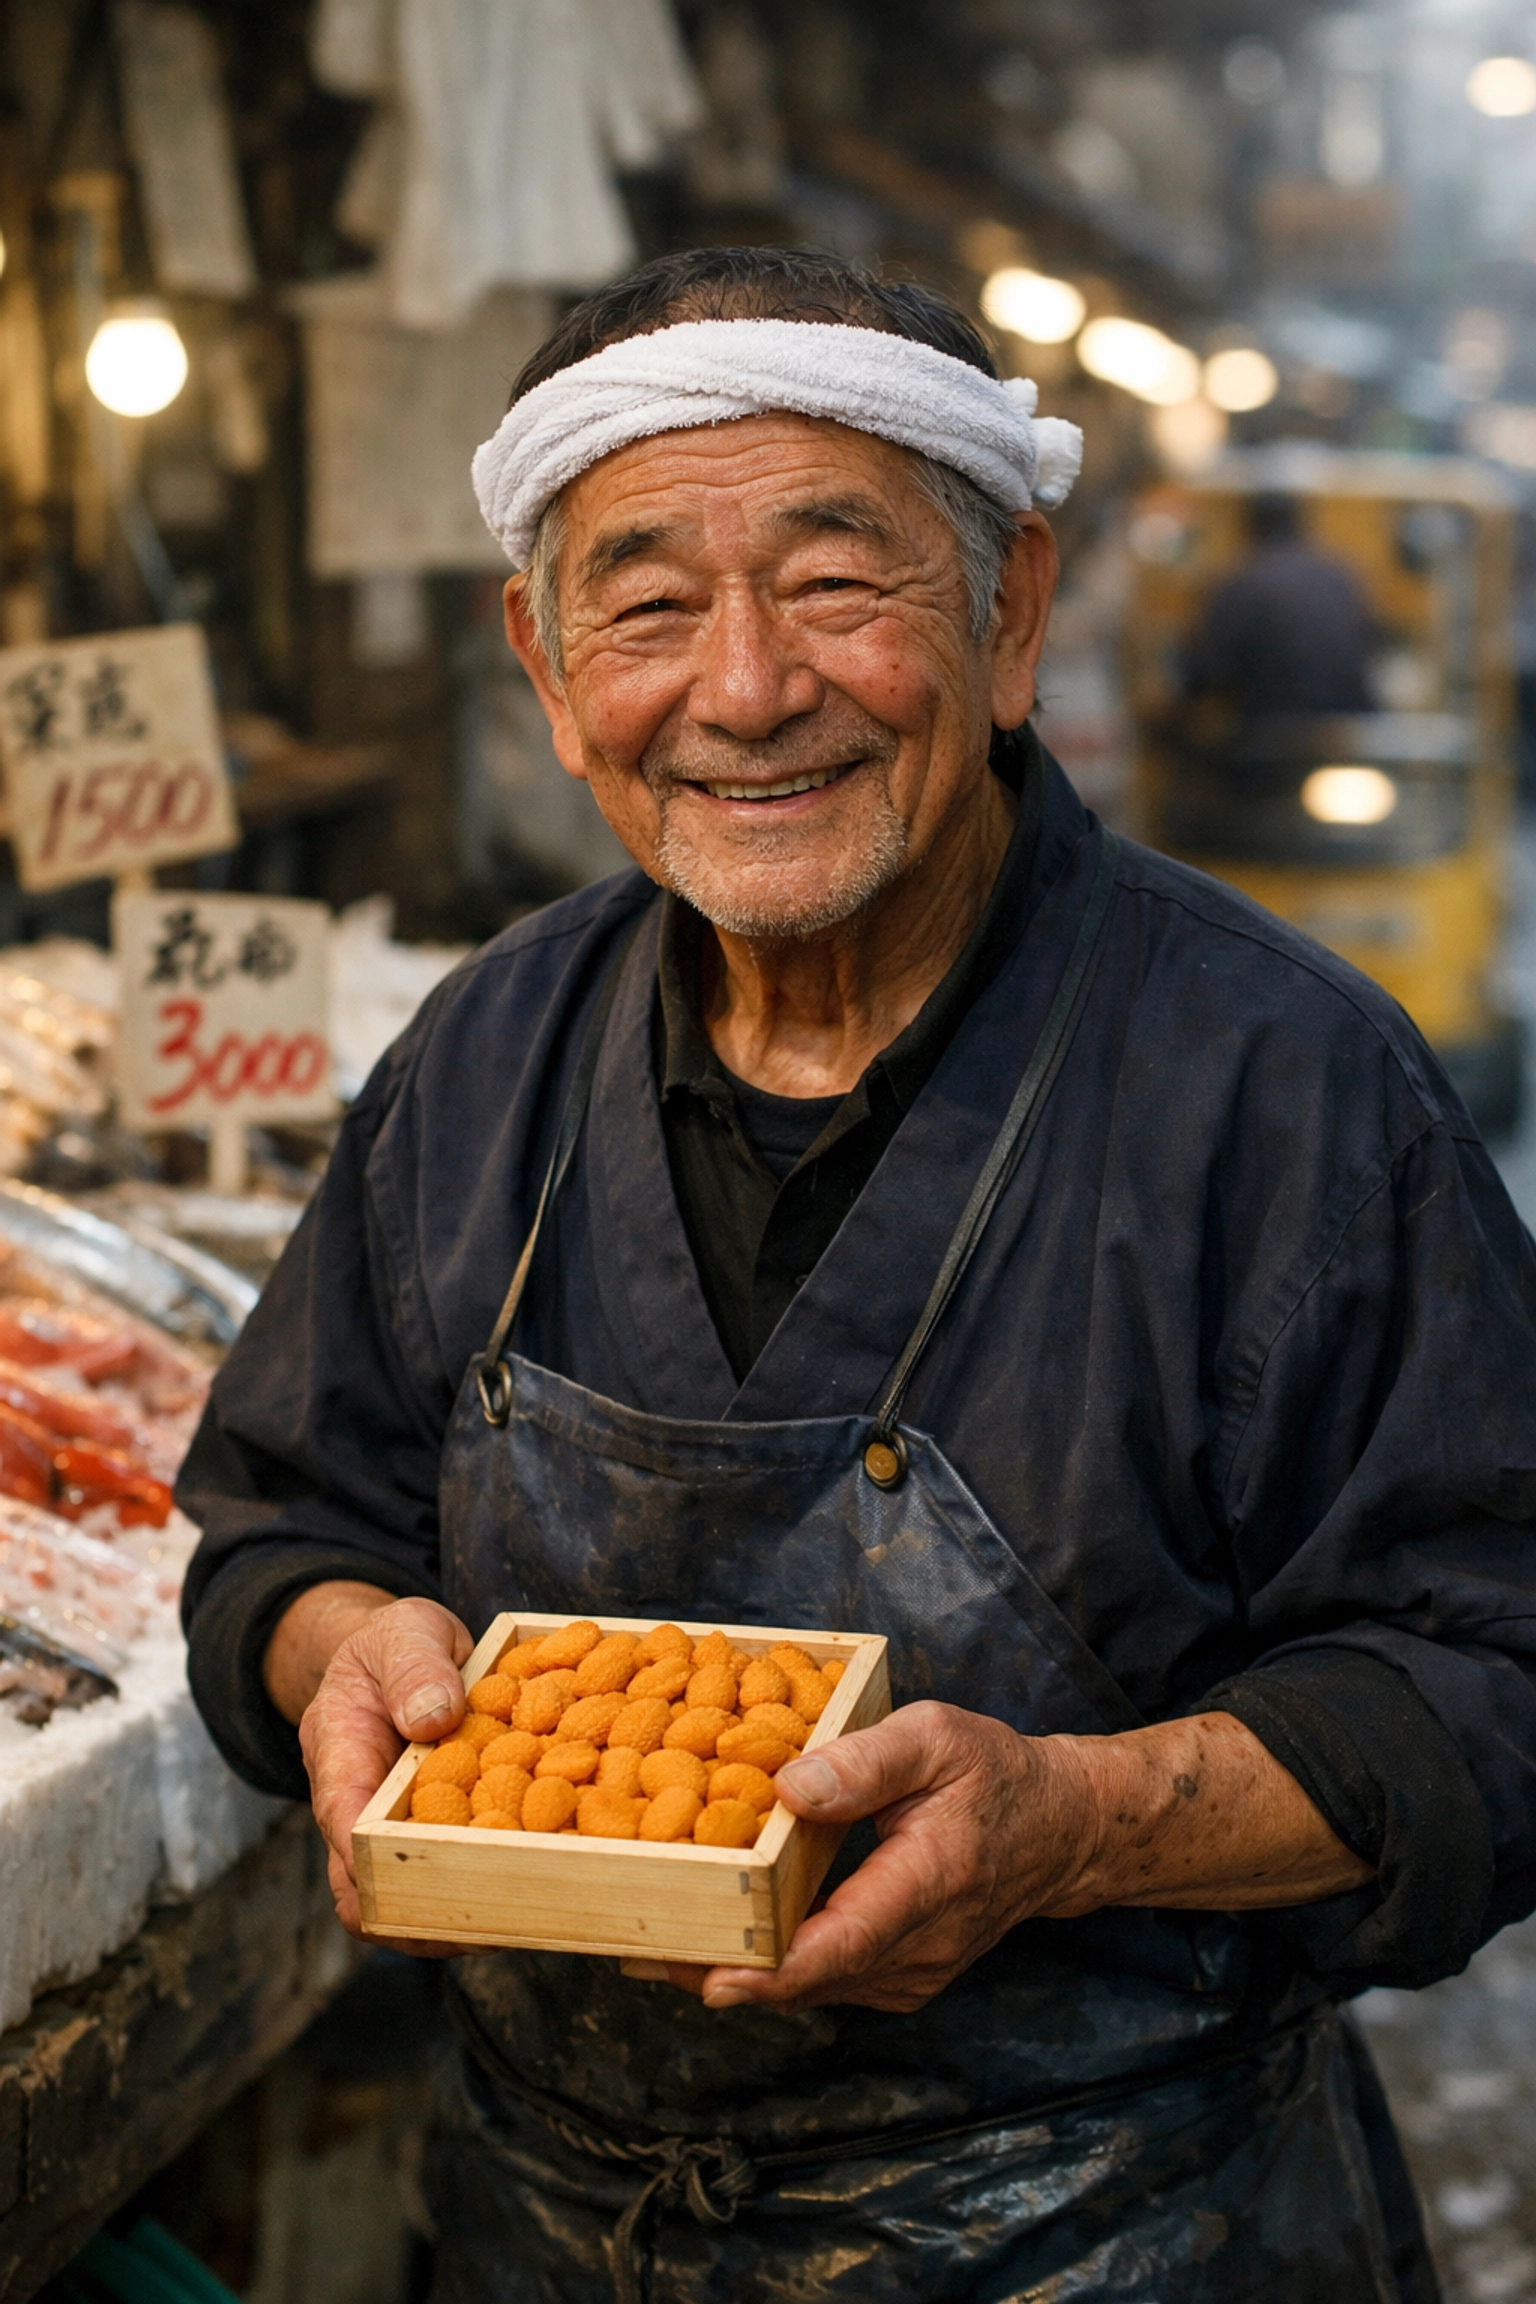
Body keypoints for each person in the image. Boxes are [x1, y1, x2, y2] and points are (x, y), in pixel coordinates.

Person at [179, 247, 1536, 2304]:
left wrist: (1078, 1823)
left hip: (1119, 2237)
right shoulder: (480, 1064)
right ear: (548, 678)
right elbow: (281, 1526)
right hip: (550, 2236)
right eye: (644, 606)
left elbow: (1495, 1680)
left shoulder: (1291, 1093)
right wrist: (339, 1646)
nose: (742, 689)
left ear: (1010, 624)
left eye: (838, 582)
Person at [1183, 489, 1378, 720]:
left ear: (1249, 525)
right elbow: (1372, 649)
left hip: (1270, 737)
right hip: (1348, 731)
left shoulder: (1240, 582)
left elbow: (1206, 672)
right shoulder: (1341, 575)